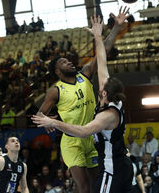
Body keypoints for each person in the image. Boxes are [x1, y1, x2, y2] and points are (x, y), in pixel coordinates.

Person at [32, 12, 133, 193]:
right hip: (72, 141)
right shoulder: (56, 90)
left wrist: (115, 29)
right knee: (85, 188)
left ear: (104, 92)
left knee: (98, 184)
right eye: (64, 62)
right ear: (57, 71)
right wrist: (46, 121)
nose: (70, 62)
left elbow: (103, 52)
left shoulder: (86, 74)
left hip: (91, 137)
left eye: (68, 60)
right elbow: (38, 115)